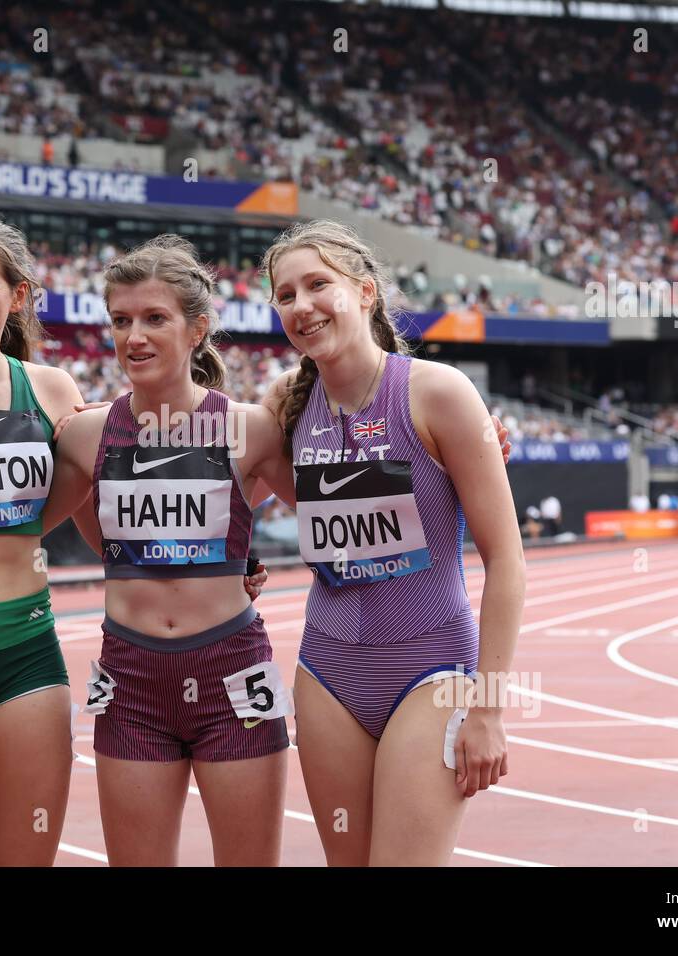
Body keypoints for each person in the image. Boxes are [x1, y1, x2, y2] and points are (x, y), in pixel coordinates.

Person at [0, 214, 267, 866]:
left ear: (17, 296)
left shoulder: (53, 392)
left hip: (25, 657)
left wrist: (224, 556)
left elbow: (112, 512)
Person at [261, 220, 525, 866]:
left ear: (366, 292)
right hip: (327, 674)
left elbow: (507, 563)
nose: (302, 305)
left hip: (431, 671)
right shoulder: (283, 409)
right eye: (286, 294)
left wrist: (488, 707)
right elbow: (230, 489)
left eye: (318, 285)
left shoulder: (438, 393)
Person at [50, 237, 297, 866]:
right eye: (121, 320)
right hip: (131, 679)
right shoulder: (84, 435)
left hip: (232, 674)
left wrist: (477, 442)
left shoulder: (250, 429)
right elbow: (53, 523)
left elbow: (337, 504)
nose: (134, 336)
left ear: (198, 328)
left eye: (154, 318)